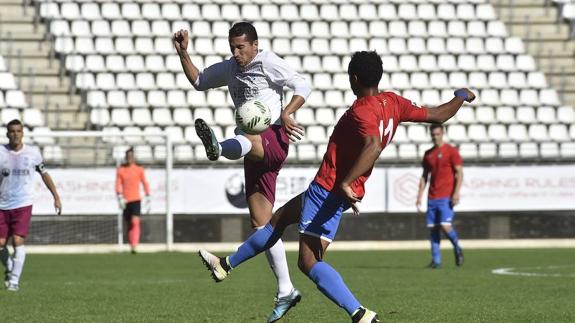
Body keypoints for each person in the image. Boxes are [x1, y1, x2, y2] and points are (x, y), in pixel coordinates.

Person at [198, 51, 476, 322]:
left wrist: (344, 183)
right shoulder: (393, 102)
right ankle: (225, 265)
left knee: (307, 261)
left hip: (329, 188)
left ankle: (359, 313)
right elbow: (438, 115)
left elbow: (373, 146)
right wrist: (460, 97)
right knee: (278, 220)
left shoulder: (361, 111)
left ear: (354, 79)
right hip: (335, 190)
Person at [174, 22, 311, 322]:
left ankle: (219, 148)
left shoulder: (268, 62)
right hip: (251, 148)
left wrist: (288, 113)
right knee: (262, 224)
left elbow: (303, 84)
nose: (236, 53)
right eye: (232, 47)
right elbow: (198, 81)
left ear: (254, 45)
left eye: (241, 47)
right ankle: (286, 290)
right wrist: (184, 53)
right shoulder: (229, 68)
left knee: (248, 134)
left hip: (273, 136)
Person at [0, 119, 62, 291]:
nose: (15, 134)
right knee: (0, 244)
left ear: (23, 133)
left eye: (18, 131)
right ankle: (10, 266)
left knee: (18, 241)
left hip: (23, 203)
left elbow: (44, 174)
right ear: (7, 134)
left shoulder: (33, 154)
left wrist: (56, 196)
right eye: (12, 131)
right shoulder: (1, 152)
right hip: (2, 204)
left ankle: (14, 281)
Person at [416, 124, 464, 268]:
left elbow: (459, 173)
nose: (435, 137)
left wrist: (456, 192)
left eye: (437, 134)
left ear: (442, 133)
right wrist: (419, 195)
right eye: (433, 134)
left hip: (446, 196)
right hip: (432, 197)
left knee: (445, 225)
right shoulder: (428, 154)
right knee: (433, 228)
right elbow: (424, 176)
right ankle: (436, 261)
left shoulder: (451, 151)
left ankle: (457, 247)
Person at [115, 147, 150, 254]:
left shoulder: (139, 169)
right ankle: (131, 244)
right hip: (126, 200)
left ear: (133, 157)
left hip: (136, 199)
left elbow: (144, 182)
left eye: (131, 156)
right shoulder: (121, 170)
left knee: (135, 222)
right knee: (128, 224)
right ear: (126, 157)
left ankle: (134, 244)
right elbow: (117, 184)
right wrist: (119, 196)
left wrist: (147, 195)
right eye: (128, 156)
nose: (129, 158)